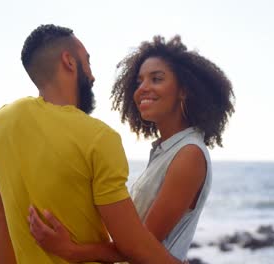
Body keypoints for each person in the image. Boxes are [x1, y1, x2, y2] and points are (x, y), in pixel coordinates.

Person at [0, 24, 185, 264]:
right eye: (87, 62)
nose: (92, 75)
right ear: (69, 61)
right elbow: (134, 245)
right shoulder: (99, 138)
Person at [27, 35, 235, 262]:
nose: (142, 89)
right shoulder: (167, 151)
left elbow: (140, 245)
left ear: (183, 90)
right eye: (139, 82)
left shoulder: (189, 155)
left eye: (156, 79)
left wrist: (71, 250)